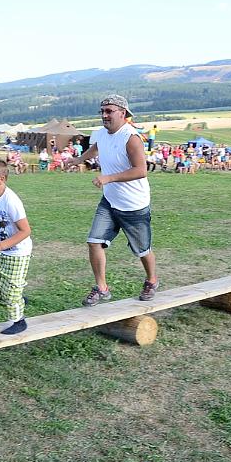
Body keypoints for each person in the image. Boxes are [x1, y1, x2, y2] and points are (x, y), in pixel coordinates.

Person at [69, 94, 158, 306]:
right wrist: (79, 159)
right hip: (109, 201)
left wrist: (108, 178)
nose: (104, 115)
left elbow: (141, 170)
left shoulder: (131, 138)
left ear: (123, 113)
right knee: (94, 242)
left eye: (109, 111)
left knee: (142, 250)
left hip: (134, 205)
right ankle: (102, 288)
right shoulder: (101, 133)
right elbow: (96, 147)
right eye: (102, 111)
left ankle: (152, 280)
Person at [0, 156, 32, 335]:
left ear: (1, 179)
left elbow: (25, 231)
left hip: (18, 252)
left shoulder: (11, 201)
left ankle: (19, 321)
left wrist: (0, 246)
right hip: (0, 249)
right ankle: (17, 299)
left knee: (10, 292)